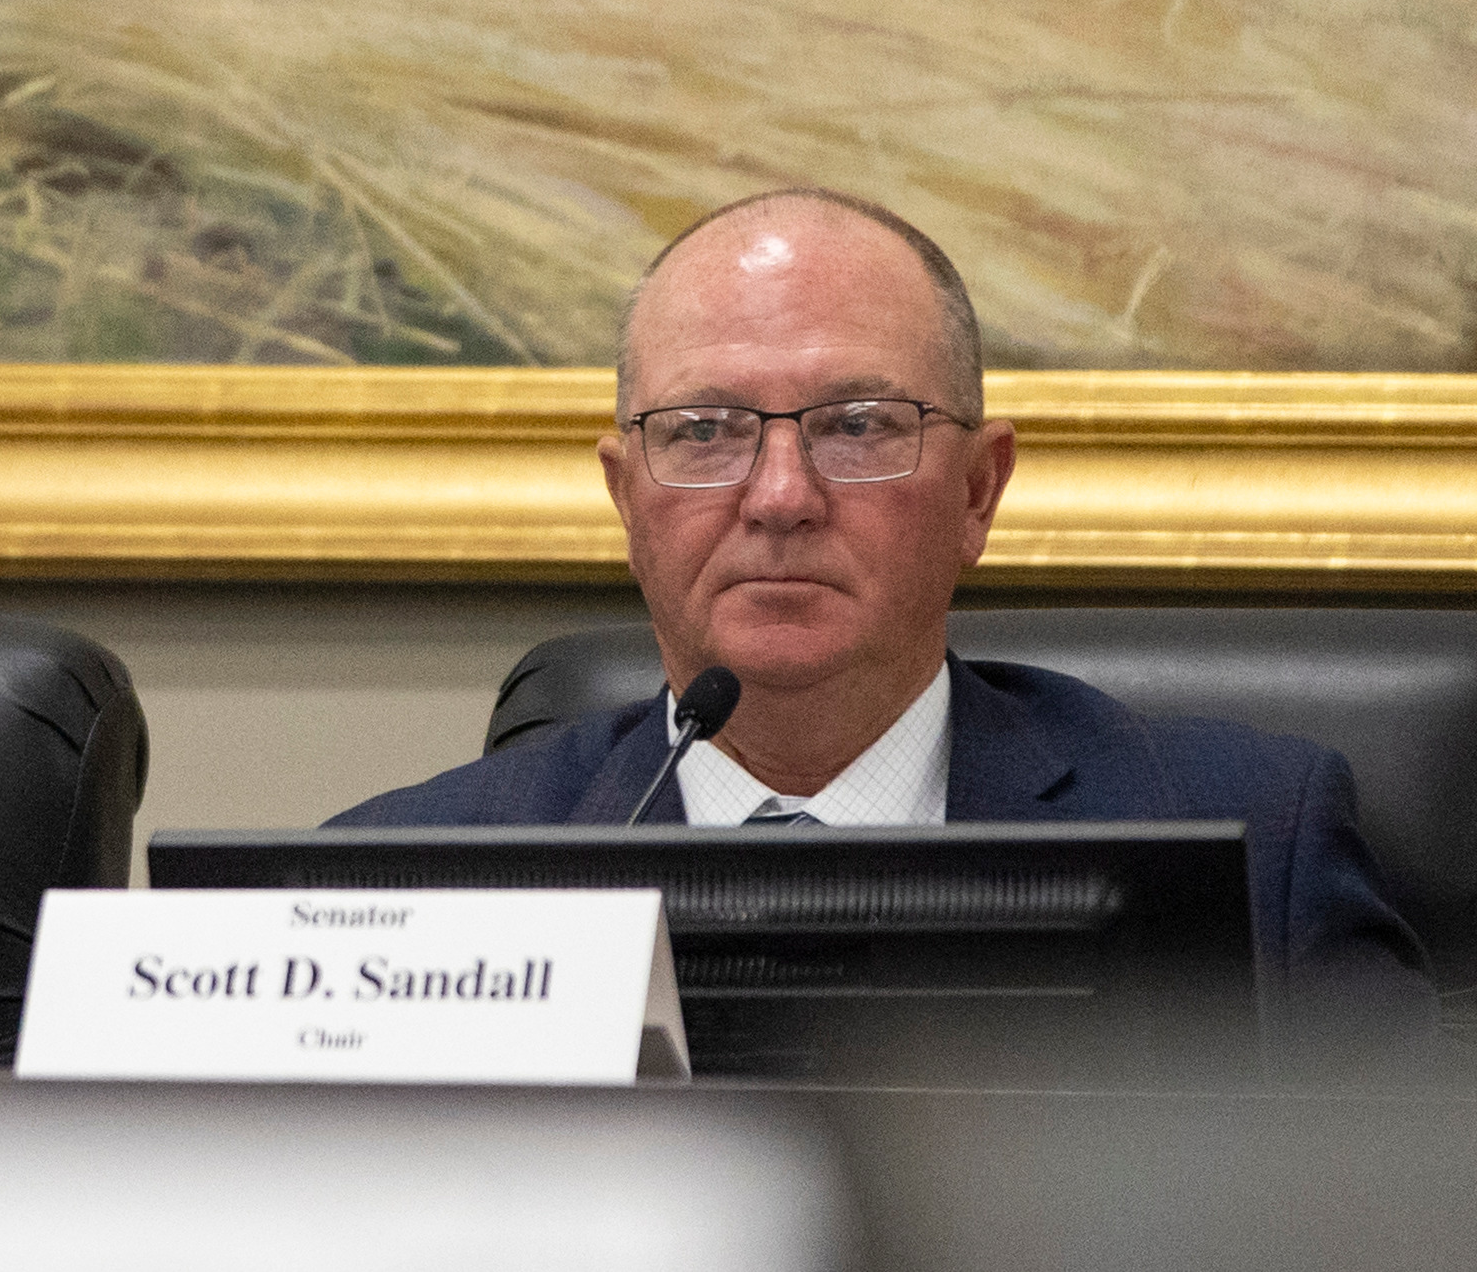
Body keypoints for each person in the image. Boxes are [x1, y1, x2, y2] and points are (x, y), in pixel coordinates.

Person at [333, 189, 1437, 1060]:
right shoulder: (393, 900)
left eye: (858, 426)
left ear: (976, 493)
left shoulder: (1252, 844)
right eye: (705, 430)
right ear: (628, 501)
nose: (779, 496)